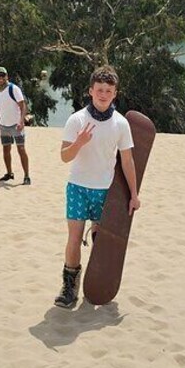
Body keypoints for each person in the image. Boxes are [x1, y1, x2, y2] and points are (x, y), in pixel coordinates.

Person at [55, 65, 140, 309]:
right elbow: (64, 157)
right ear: (91, 91)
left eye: (108, 90)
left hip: (106, 191)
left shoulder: (121, 124)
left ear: (115, 94)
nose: (103, 94)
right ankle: (69, 288)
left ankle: (98, 280)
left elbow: (127, 161)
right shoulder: (77, 119)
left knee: (100, 240)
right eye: (99, 89)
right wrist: (79, 143)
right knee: (73, 238)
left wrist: (134, 194)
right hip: (78, 187)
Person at [0, 66, 31, 185]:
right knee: (6, 149)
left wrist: (21, 121)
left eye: (3, 76)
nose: (0, 78)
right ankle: (9, 173)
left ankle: (27, 176)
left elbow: (22, 105)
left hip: (16, 125)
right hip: (3, 125)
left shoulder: (13, 89)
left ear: (7, 76)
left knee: (21, 149)